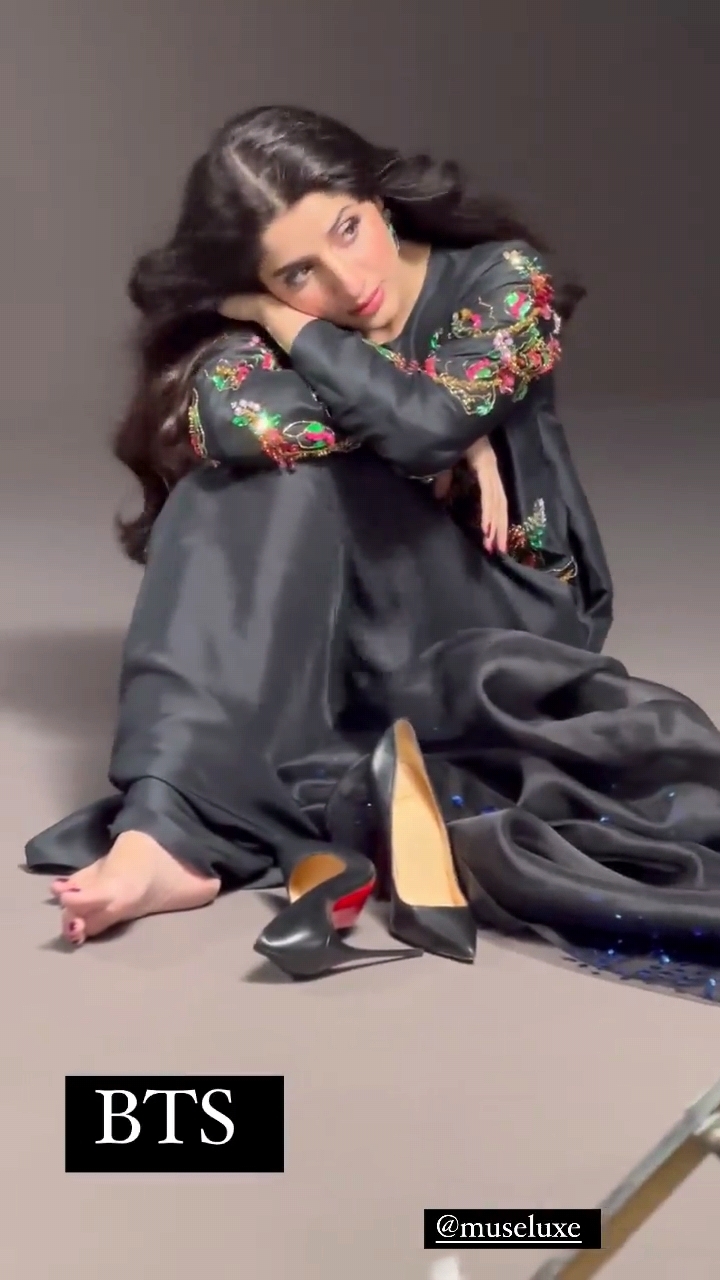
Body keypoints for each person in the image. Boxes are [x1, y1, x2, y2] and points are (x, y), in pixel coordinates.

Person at [26, 107, 720, 994]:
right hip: (359, 610)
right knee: (233, 486)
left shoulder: (506, 281)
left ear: (378, 198)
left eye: (348, 229)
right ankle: (162, 830)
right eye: (297, 274)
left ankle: (181, 819)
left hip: (507, 602)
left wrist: (320, 348)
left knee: (275, 477)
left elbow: (428, 421)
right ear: (259, 282)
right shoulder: (263, 321)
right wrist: (427, 426)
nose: (349, 284)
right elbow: (241, 419)